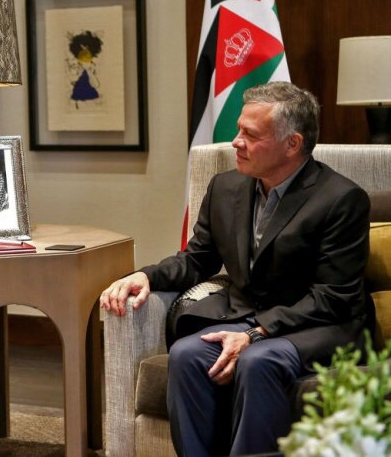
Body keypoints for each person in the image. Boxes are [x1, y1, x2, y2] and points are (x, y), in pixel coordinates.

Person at [100, 82, 371, 456]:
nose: (235, 142)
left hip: (321, 325)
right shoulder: (225, 187)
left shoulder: (341, 199)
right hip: (247, 316)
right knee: (187, 355)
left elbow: (332, 296)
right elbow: (197, 259)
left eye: (250, 134)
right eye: (239, 129)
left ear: (292, 144)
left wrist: (257, 334)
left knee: (258, 361)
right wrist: (145, 275)